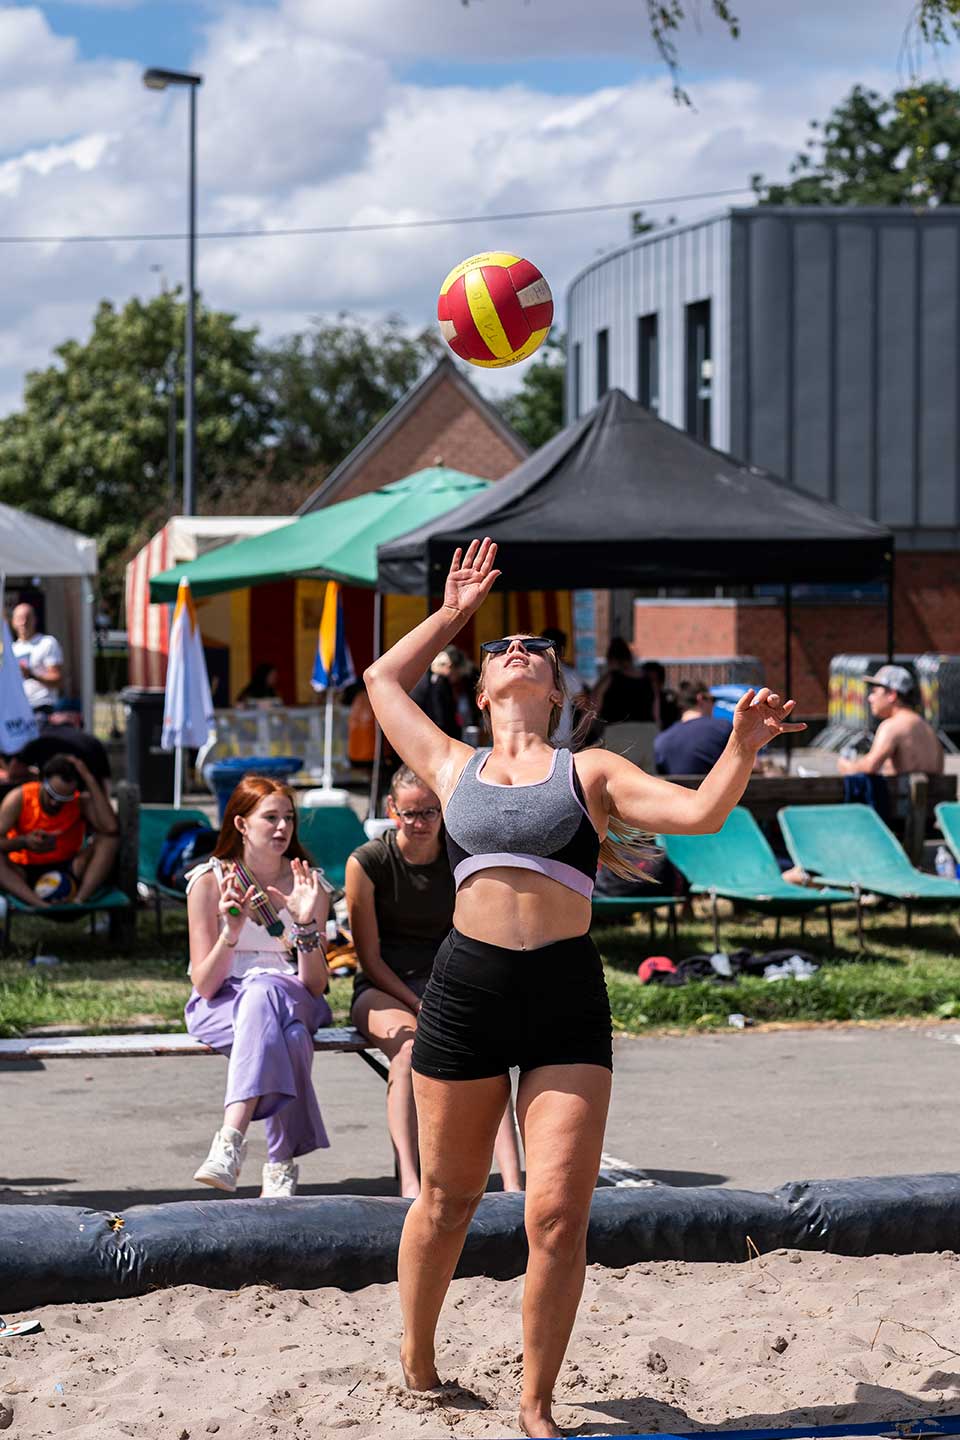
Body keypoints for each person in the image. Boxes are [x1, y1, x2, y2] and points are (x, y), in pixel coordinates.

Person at [363, 537, 803, 1439]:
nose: (518, 649)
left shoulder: (589, 771)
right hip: (467, 993)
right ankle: (418, 1361)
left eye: (537, 650)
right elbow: (379, 681)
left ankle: (535, 1405)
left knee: (558, 1217)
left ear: (558, 692)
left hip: (565, 996)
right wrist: (452, 616)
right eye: (501, 651)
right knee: (447, 1204)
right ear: (482, 691)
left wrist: (742, 745)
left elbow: (698, 814)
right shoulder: (451, 765)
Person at [346, 765, 524, 1199]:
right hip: (384, 986)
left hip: (447, 978)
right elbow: (369, 958)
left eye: (429, 812)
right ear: (392, 811)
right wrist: (416, 1002)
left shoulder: (457, 855)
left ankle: (515, 1184)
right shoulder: (368, 862)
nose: (420, 823)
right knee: (406, 1054)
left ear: (443, 811)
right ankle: (411, 1182)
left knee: (486, 1052)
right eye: (410, 814)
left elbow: (479, 931)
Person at [184, 776, 332, 1199]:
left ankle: (229, 1141)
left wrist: (304, 923)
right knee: (291, 1037)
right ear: (242, 824)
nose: (283, 827)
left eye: (289, 818)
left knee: (266, 990)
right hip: (222, 1003)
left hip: (294, 994)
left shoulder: (310, 886)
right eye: (270, 818)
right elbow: (205, 983)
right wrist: (230, 930)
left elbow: (315, 983)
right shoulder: (209, 883)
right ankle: (280, 1163)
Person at [0, 754, 118, 908]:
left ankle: (79, 901)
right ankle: (40, 905)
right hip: (24, 873)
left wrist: (88, 778)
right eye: (52, 794)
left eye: (64, 798)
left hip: (70, 869)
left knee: (109, 840)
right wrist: (23, 842)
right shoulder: (19, 798)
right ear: (42, 780)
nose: (55, 802)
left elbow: (111, 828)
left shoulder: (78, 800)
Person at [837, 665, 944, 777]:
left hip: (904, 795)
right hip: (934, 794)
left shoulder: (891, 727)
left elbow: (870, 766)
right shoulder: (929, 731)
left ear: (892, 695)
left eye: (874, 692)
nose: (870, 698)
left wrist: (845, 765)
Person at [654, 679, 733, 777]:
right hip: (717, 791)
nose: (714, 704)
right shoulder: (724, 728)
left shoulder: (661, 740)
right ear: (700, 699)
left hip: (678, 791)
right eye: (713, 699)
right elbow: (751, 764)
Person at [11, 604, 63, 714]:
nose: (23, 622)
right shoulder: (11, 649)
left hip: (41, 707)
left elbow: (57, 679)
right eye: (20, 618)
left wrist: (31, 674)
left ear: (35, 620)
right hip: (17, 709)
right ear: (13, 622)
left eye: (27, 618)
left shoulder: (47, 642)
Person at [591, 637, 653, 724]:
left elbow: (592, 710)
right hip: (647, 731)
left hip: (617, 732)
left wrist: (578, 735)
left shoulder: (609, 679)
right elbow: (656, 712)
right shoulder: (648, 679)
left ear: (611, 658)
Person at [541, 628, 586, 748]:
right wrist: (579, 737)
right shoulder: (570, 675)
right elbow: (584, 706)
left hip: (534, 740)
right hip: (562, 741)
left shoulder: (530, 673)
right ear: (562, 650)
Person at [410, 651, 459, 737]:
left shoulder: (435, 680)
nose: (449, 669)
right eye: (446, 665)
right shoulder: (436, 682)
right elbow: (438, 711)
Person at [642, 660, 680, 730]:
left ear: (661, 683)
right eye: (645, 681)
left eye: (652, 681)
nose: (647, 685)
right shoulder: (637, 701)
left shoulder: (670, 701)